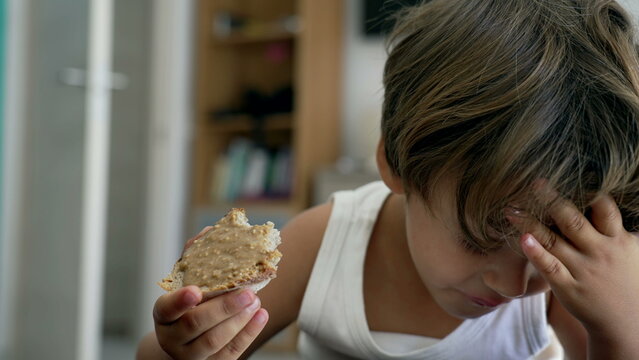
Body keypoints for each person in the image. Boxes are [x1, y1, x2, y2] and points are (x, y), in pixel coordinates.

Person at [137, 0, 639, 358]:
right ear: (396, 163)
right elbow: (181, 348)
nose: (512, 284)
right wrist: (187, 342)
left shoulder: (567, 283)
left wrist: (622, 329)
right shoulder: (326, 243)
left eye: (545, 250)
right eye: (475, 238)